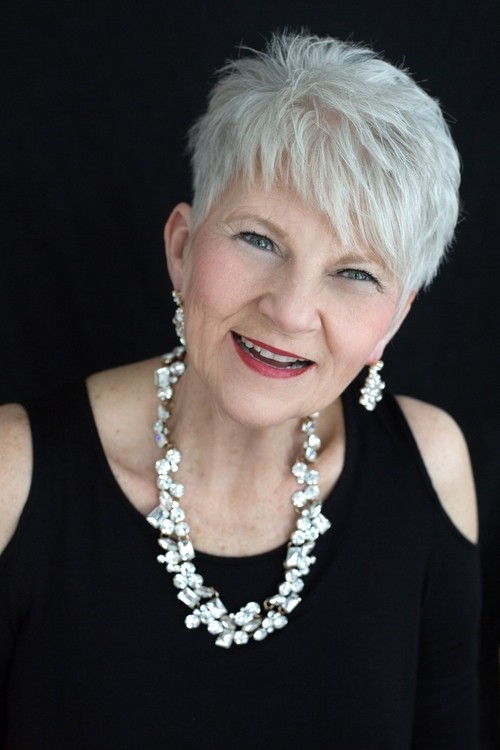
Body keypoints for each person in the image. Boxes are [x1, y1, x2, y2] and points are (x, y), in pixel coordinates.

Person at [0, 32, 480, 748]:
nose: (290, 311)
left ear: (395, 319)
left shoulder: (431, 468)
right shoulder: (13, 474)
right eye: (259, 240)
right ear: (182, 247)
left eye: (354, 274)